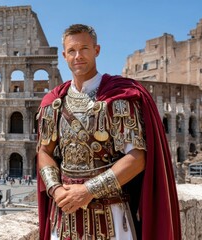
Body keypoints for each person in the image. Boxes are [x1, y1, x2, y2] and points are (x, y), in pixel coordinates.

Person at [36, 24, 181, 240]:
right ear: (64, 55)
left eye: (84, 48)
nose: (78, 56)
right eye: (72, 51)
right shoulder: (54, 102)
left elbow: (138, 158)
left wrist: (87, 191)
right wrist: (56, 190)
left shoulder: (119, 97)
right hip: (65, 215)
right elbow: (44, 151)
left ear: (97, 50)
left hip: (111, 216)